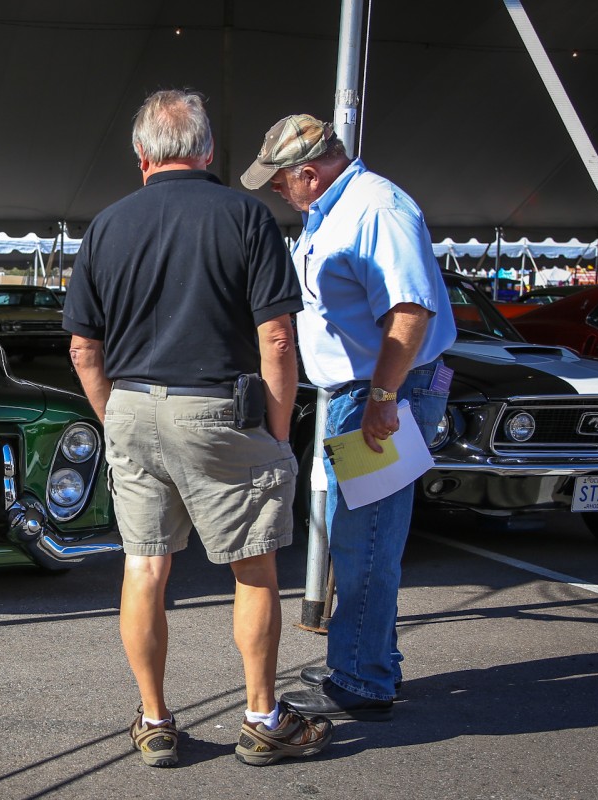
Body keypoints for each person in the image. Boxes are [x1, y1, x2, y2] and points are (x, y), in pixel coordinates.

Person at [63, 90, 333, 767]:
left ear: (141, 157)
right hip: (218, 409)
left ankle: (154, 721)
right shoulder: (247, 216)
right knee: (253, 565)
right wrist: (275, 431)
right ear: (208, 151)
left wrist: (115, 417)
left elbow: (82, 350)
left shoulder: (106, 226)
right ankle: (262, 719)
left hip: (129, 405)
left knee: (145, 565)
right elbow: (276, 338)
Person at [241, 114, 455, 721]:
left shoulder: (376, 209)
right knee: (360, 532)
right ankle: (364, 656)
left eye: (280, 181)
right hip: (369, 389)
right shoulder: (339, 208)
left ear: (309, 173)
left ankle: (362, 677)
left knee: (363, 538)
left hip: (379, 391)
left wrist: (384, 400)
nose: (276, 191)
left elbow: (410, 309)